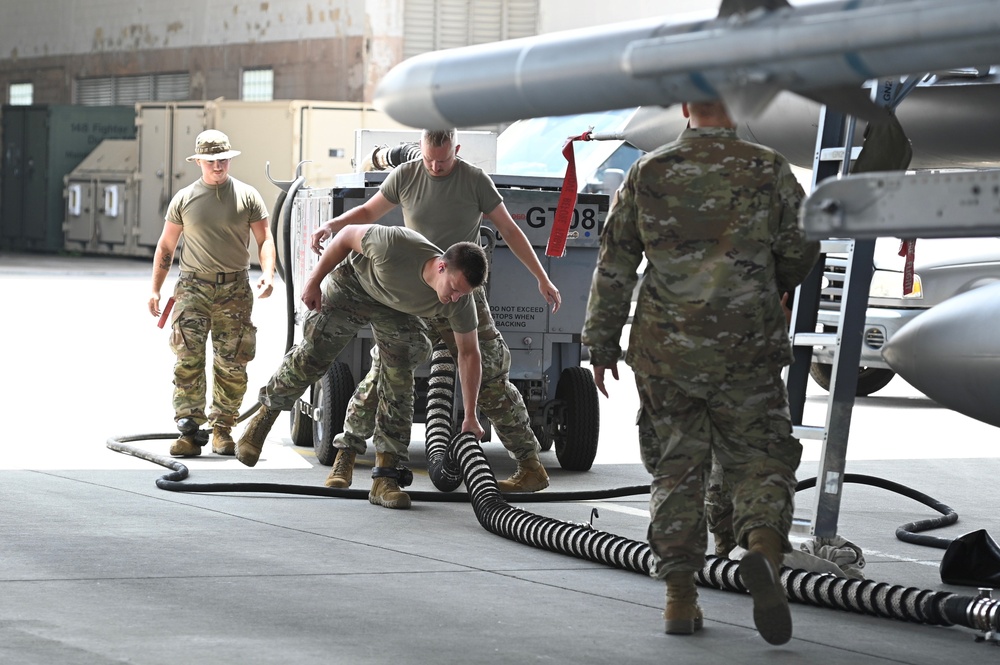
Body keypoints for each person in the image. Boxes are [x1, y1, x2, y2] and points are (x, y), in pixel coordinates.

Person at [581, 100, 820, 644]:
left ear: (685, 106)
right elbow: (803, 249)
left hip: (667, 350)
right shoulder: (769, 168)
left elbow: (615, 263)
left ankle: (679, 598)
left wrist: (600, 344)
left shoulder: (649, 170)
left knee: (676, 467)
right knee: (761, 456)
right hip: (749, 346)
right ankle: (761, 549)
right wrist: (766, 284)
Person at [309, 128, 561, 493]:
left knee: (490, 374)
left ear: (455, 150)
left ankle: (530, 464)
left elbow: (509, 229)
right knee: (385, 370)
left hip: (461, 292)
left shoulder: (474, 180)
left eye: (442, 160)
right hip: (416, 287)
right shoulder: (407, 174)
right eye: (428, 159)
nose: (434, 166)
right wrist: (335, 225)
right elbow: (368, 211)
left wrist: (541, 278)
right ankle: (347, 455)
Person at [236, 223, 489, 510]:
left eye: (462, 294)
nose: (454, 298)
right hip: (355, 286)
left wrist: (470, 415)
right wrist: (314, 281)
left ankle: (386, 477)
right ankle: (262, 421)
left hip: (397, 311)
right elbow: (345, 237)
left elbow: (469, 354)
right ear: (441, 266)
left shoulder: (459, 301)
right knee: (315, 352)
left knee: (400, 378)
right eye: (454, 289)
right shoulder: (395, 245)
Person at [149, 129, 276, 458]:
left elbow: (264, 240)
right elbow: (166, 245)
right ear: (199, 162)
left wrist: (268, 274)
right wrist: (155, 290)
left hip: (235, 287)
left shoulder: (247, 196)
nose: (218, 166)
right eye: (211, 161)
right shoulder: (184, 199)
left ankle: (222, 429)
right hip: (192, 287)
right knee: (187, 358)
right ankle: (189, 432)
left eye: (222, 160)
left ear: (229, 160)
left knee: (232, 361)